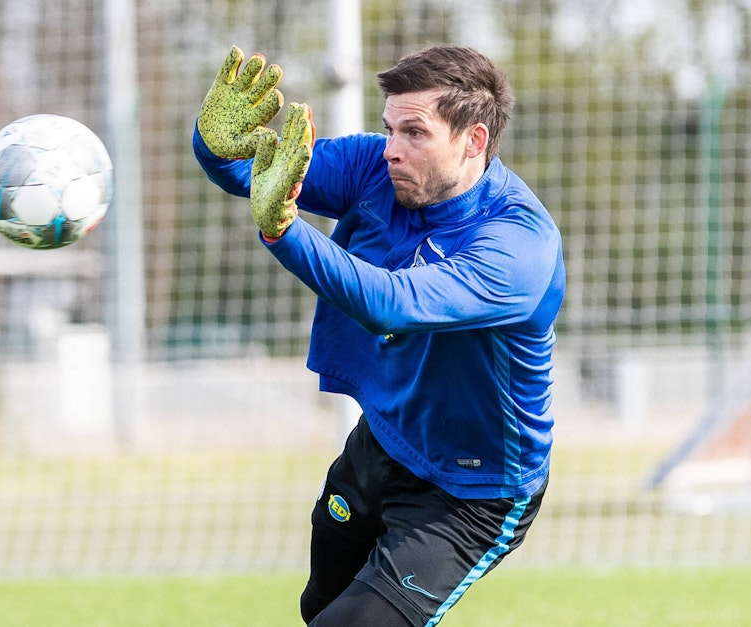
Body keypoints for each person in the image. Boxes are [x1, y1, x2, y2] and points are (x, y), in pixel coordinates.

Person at [192, 44, 566, 627]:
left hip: (472, 489)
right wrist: (213, 145)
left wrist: (285, 232)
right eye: (390, 127)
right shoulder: (376, 167)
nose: (392, 147)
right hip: (385, 440)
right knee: (319, 609)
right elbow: (256, 174)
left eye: (415, 133)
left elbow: (392, 303)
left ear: (474, 141)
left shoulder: (518, 244)